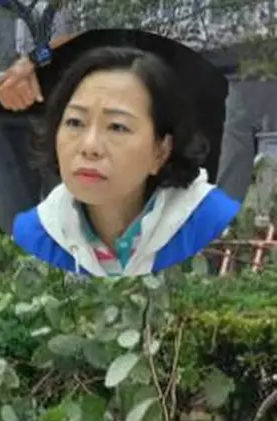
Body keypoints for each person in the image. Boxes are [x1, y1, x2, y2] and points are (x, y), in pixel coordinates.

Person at [12, 46, 240, 276]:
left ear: (161, 150)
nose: (89, 146)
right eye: (75, 122)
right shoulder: (33, 235)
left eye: (117, 127)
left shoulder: (216, 224)